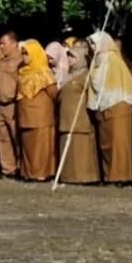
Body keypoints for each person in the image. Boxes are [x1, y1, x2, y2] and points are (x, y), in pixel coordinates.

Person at [87, 31, 132, 185]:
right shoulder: (98, 60)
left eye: (95, 44)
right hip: (104, 105)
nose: (92, 47)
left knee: (119, 144)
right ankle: (109, 175)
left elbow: (98, 80)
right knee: (107, 143)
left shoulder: (111, 59)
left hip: (118, 103)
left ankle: (121, 176)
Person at [56, 38, 99, 185]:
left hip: (80, 118)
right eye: (68, 56)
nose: (69, 59)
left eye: (72, 56)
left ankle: (84, 176)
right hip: (66, 117)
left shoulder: (86, 75)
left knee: (80, 148)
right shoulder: (68, 75)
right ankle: (68, 176)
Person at [17, 40, 58, 182]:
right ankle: (28, 172)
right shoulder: (22, 71)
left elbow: (53, 92)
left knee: (41, 146)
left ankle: (41, 173)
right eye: (22, 53)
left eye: (27, 53)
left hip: (41, 115)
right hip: (25, 114)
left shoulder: (44, 72)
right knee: (28, 145)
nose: (24, 56)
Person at [0, 28, 22, 178]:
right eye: (0, 44)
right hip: (0, 105)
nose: (2, 46)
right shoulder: (1, 62)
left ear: (14, 44)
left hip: (12, 104)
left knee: (16, 137)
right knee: (3, 138)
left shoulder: (19, 61)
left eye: (4, 43)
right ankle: (8, 169)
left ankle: (21, 167)